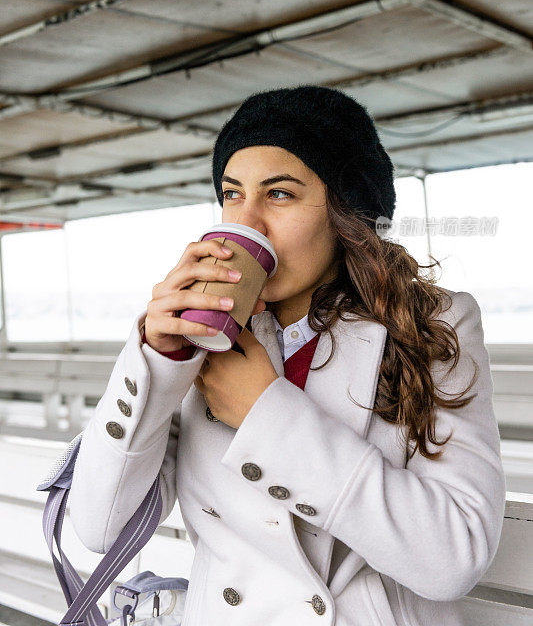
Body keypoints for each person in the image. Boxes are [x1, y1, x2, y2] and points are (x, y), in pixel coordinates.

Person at [65, 85, 506, 626]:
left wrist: (264, 414)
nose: (246, 223)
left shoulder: (434, 324)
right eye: (232, 194)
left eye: (279, 194)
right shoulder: (202, 335)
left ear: (348, 212)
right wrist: (156, 361)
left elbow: (453, 558)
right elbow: (98, 528)